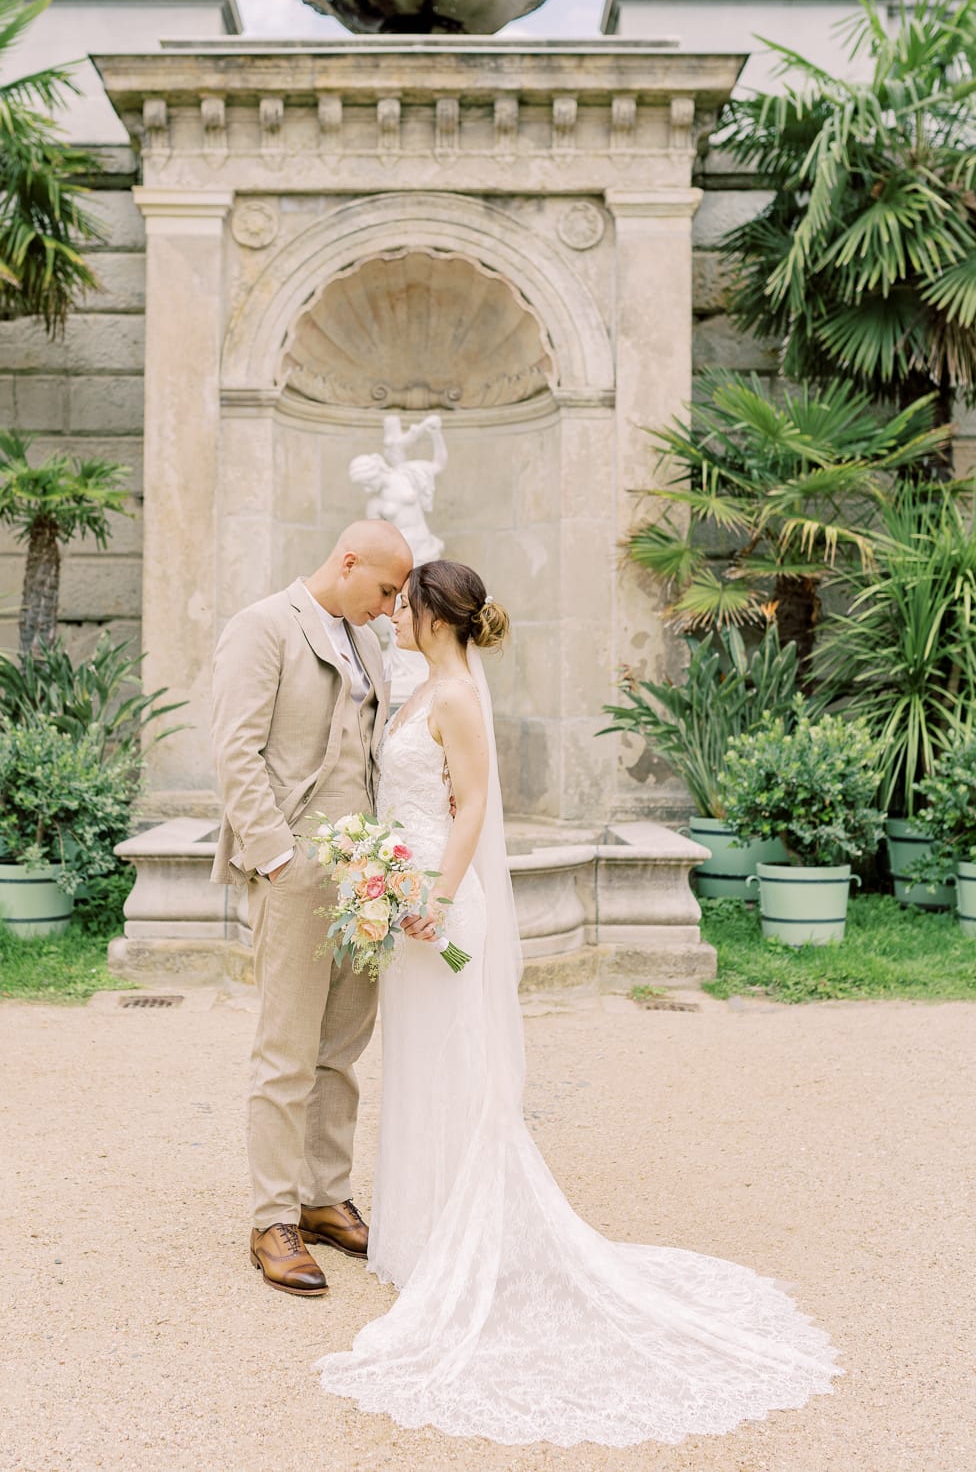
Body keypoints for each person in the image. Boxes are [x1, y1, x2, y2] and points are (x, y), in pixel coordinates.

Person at [317, 559, 840, 1447]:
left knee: (458, 1065)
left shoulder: (455, 699)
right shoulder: (419, 687)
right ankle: (420, 1236)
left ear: (437, 616)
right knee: (415, 1064)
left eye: (404, 604)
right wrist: (382, 876)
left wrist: (434, 898)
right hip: (403, 899)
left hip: (437, 906)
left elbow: (476, 803)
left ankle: (466, 1242)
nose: (392, 613)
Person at [210, 520, 412, 1298]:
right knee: (287, 1048)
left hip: (363, 875)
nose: (394, 608)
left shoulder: (368, 641)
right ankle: (272, 1218)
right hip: (293, 867)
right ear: (349, 560)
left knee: (341, 1046)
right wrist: (278, 856)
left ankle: (324, 1196)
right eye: (387, 589)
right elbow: (235, 749)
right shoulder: (263, 625)